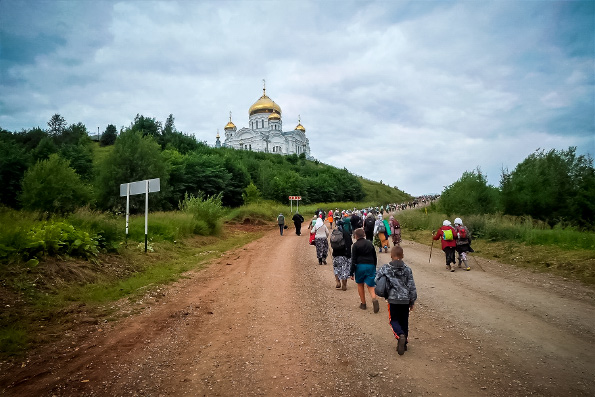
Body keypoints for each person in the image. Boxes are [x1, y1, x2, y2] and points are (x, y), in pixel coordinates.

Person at [375, 246, 417, 355]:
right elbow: (411, 286)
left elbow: (376, 279)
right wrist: (412, 301)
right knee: (404, 321)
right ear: (402, 256)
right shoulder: (407, 269)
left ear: (391, 256)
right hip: (405, 300)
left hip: (393, 299)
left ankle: (400, 335)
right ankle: (405, 343)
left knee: (393, 320)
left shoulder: (386, 268)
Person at [350, 228, 380, 313]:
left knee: (360, 284)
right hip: (370, 265)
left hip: (360, 266)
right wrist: (374, 266)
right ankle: (374, 298)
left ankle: (363, 304)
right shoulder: (370, 244)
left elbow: (353, 259)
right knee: (370, 285)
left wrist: (351, 272)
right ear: (364, 235)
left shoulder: (355, 245)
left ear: (356, 236)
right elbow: (374, 257)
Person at [331, 219, 353, 290]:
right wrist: (349, 255)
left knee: (336, 268)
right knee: (344, 269)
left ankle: (338, 281)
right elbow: (350, 244)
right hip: (345, 254)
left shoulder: (335, 233)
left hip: (336, 254)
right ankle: (344, 284)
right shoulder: (346, 233)